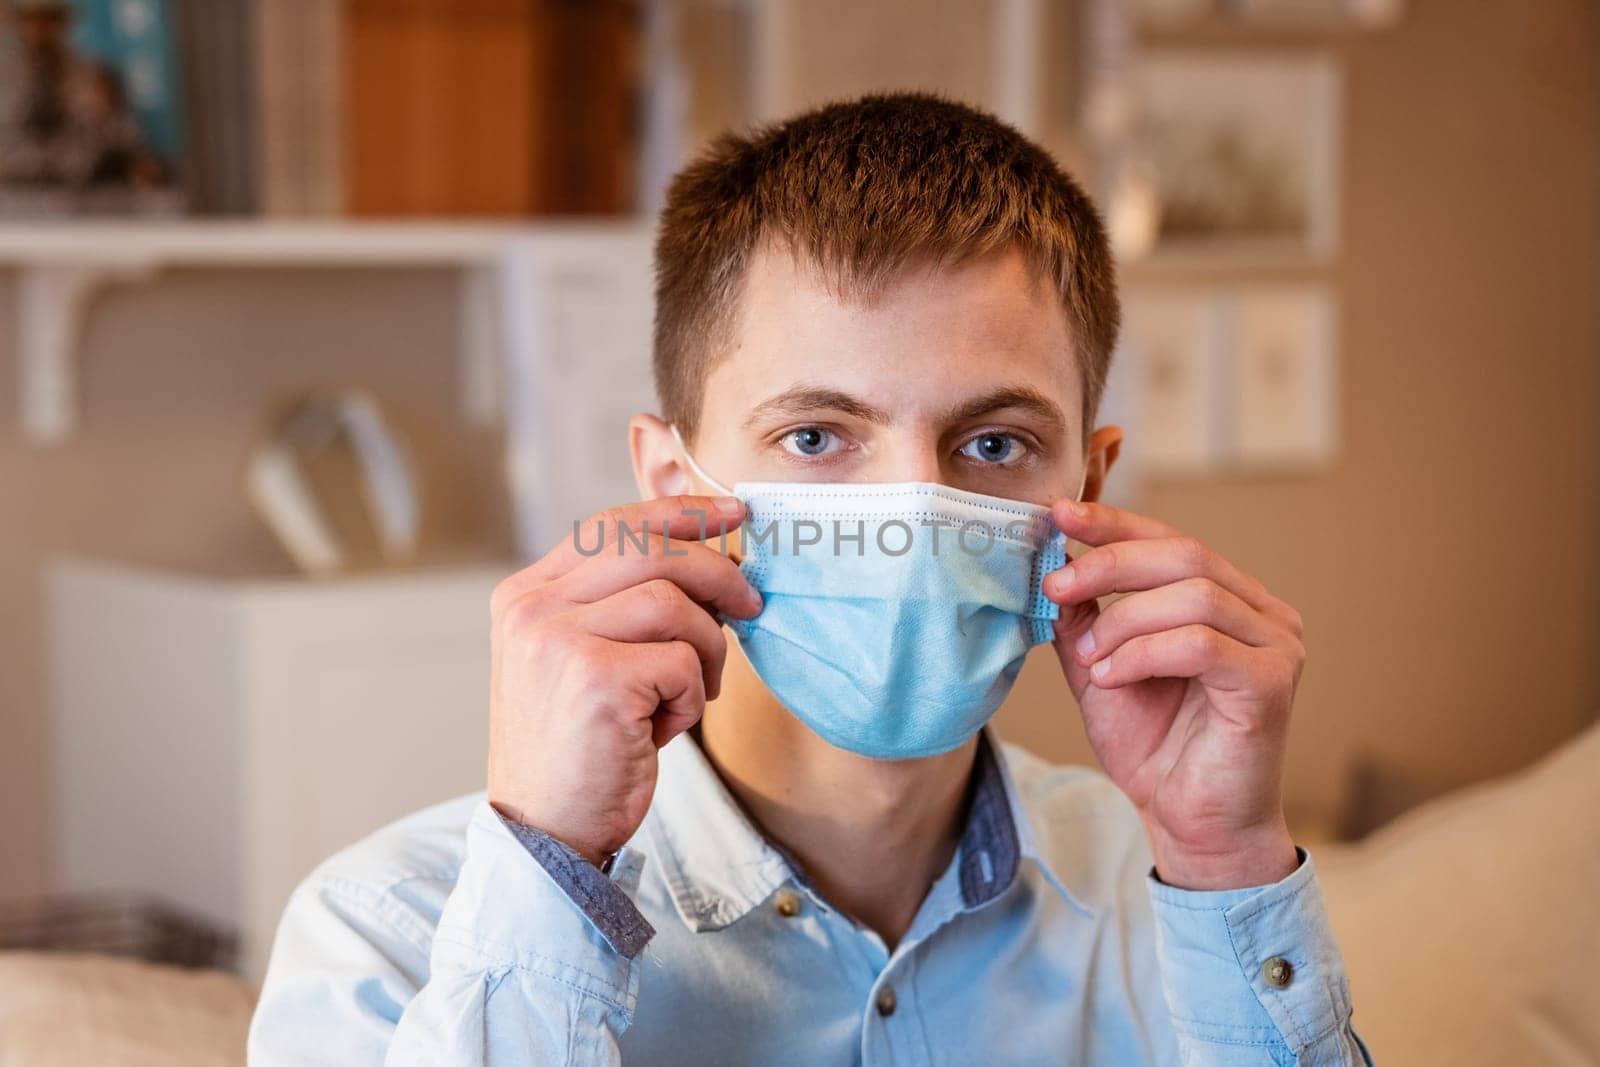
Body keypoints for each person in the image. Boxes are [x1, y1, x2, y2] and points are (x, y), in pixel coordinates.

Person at [248, 93, 1373, 1065]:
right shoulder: (390, 932)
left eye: (991, 444)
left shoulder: (1180, 906)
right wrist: (549, 865)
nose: (911, 508)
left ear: (1090, 483)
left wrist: (1228, 863)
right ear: (668, 481)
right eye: (816, 436)